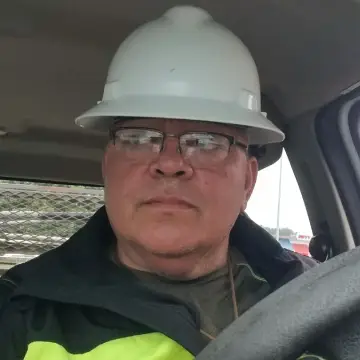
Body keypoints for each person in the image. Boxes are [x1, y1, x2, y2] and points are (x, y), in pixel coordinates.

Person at [0, 6, 321, 360]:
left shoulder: (319, 299)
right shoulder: (18, 314)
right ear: (108, 167)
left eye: (206, 141)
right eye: (138, 138)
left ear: (247, 180)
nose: (169, 164)